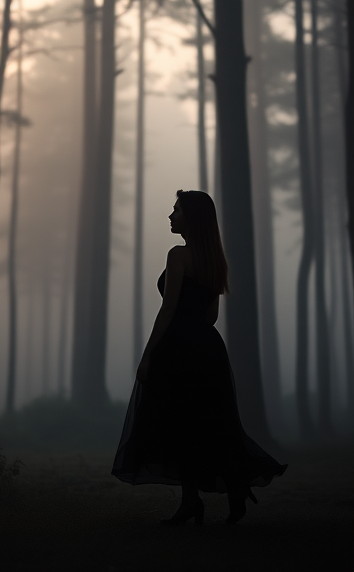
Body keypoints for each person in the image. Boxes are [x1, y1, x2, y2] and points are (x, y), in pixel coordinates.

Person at [111, 190, 287, 525]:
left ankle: (192, 501)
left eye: (176, 210)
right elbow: (210, 317)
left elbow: (168, 309)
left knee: (179, 424)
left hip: (178, 350)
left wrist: (148, 356)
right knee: (210, 423)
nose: (170, 215)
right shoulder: (214, 259)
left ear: (191, 217)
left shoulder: (178, 256)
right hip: (208, 350)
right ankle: (227, 490)